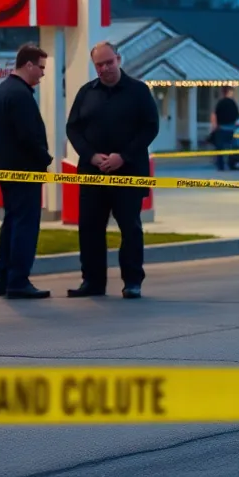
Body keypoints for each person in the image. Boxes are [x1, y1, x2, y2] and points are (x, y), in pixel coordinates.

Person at [65, 41, 161, 300]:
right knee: (90, 229)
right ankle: (92, 282)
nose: (105, 68)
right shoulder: (86, 92)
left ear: (118, 59)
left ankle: (132, 282)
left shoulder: (138, 91)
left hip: (128, 173)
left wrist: (124, 157)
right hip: (93, 173)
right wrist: (91, 156)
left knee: (130, 228)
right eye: (99, 64)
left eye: (109, 62)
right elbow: (73, 128)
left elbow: (150, 127)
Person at [0, 43, 53, 300]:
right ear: (28, 65)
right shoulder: (20, 95)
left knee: (11, 224)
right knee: (25, 226)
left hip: (6, 170)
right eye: (41, 67)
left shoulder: (2, 91)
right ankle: (18, 281)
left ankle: (5, 280)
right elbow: (28, 135)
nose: (43, 73)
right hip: (24, 171)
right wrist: (45, 159)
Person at [211, 86, 239, 171]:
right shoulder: (232, 103)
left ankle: (221, 165)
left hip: (222, 128)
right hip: (230, 128)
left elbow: (214, 114)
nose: (232, 94)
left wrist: (214, 126)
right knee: (230, 147)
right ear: (229, 92)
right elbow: (237, 115)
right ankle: (230, 164)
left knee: (220, 147)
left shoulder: (220, 103)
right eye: (231, 92)